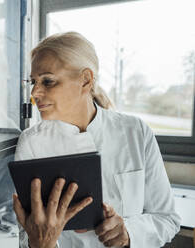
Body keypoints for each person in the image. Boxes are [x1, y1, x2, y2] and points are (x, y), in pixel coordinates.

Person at [13, 32, 180, 248]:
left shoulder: (135, 131)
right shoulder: (32, 144)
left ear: (85, 79)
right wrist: (41, 243)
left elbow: (167, 218)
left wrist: (129, 233)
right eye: (33, 81)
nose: (35, 92)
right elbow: (25, 235)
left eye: (48, 81)